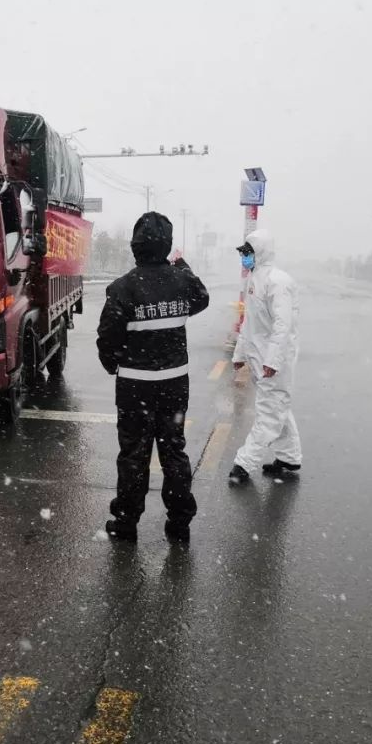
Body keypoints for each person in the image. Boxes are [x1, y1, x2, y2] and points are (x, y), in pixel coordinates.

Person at [97, 212, 210, 540]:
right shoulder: (182, 282)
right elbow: (201, 299)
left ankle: (126, 523)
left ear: (135, 246)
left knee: (134, 453)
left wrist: (112, 364)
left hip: (134, 386)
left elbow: (108, 338)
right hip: (175, 383)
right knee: (173, 449)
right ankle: (178, 524)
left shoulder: (122, 288)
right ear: (167, 245)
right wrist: (183, 267)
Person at [229, 229, 302, 485]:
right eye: (243, 253)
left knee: (269, 412)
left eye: (248, 253)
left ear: (260, 253)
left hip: (274, 361)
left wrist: (273, 360)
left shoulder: (277, 281)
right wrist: (240, 354)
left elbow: (283, 325)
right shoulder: (253, 279)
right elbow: (249, 322)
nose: (244, 258)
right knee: (277, 408)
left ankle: (244, 464)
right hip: (259, 358)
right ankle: (289, 458)